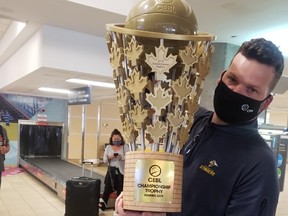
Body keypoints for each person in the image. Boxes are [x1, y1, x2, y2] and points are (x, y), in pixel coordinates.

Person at [115, 38, 284, 216]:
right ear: (221, 77)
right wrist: (136, 204)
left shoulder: (259, 163)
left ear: (266, 103)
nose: (236, 91)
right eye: (232, 79)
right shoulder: (188, 120)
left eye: (251, 89)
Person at [99, 129, 129, 213]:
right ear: (111, 139)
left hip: (121, 171)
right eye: (115, 139)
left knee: (120, 190)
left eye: (118, 139)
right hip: (111, 171)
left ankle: (118, 209)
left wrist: (121, 157)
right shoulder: (108, 147)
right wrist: (110, 157)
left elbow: (129, 157)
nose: (116, 141)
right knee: (107, 189)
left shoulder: (125, 147)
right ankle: (101, 207)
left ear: (121, 138)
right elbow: (105, 160)